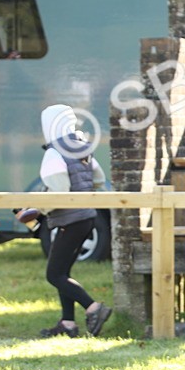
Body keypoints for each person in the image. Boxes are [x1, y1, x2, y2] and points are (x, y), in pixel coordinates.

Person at [30, 104, 112, 338]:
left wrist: (38, 209)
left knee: (54, 275)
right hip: (86, 218)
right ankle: (67, 324)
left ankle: (94, 308)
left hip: (69, 219)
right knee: (63, 272)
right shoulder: (83, 149)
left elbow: (60, 189)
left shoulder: (54, 152)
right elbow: (98, 180)